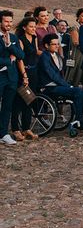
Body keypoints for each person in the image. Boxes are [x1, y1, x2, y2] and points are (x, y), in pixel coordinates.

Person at [37, 34, 83, 135]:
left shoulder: (57, 56)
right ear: (47, 46)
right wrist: (67, 85)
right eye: (54, 44)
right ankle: (79, 120)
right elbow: (52, 75)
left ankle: (80, 118)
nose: (57, 46)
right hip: (48, 87)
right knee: (78, 91)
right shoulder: (44, 56)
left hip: (57, 85)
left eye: (58, 44)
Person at [10, 17, 40, 141]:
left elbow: (36, 52)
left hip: (33, 71)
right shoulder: (20, 40)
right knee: (18, 102)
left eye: (34, 26)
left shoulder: (34, 37)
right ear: (24, 27)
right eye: (31, 26)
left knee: (29, 100)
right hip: (23, 73)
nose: (34, 29)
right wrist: (24, 75)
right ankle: (15, 129)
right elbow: (20, 59)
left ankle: (27, 128)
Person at [1, 10, 25, 145]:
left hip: (11, 77)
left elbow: (21, 56)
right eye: (6, 21)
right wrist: (8, 61)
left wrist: (10, 46)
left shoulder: (14, 38)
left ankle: (3, 133)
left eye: (10, 21)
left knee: (7, 106)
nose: (8, 24)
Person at [65, 8, 83, 87]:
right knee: (75, 77)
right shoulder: (75, 28)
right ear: (78, 17)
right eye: (82, 16)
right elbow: (76, 42)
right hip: (78, 55)